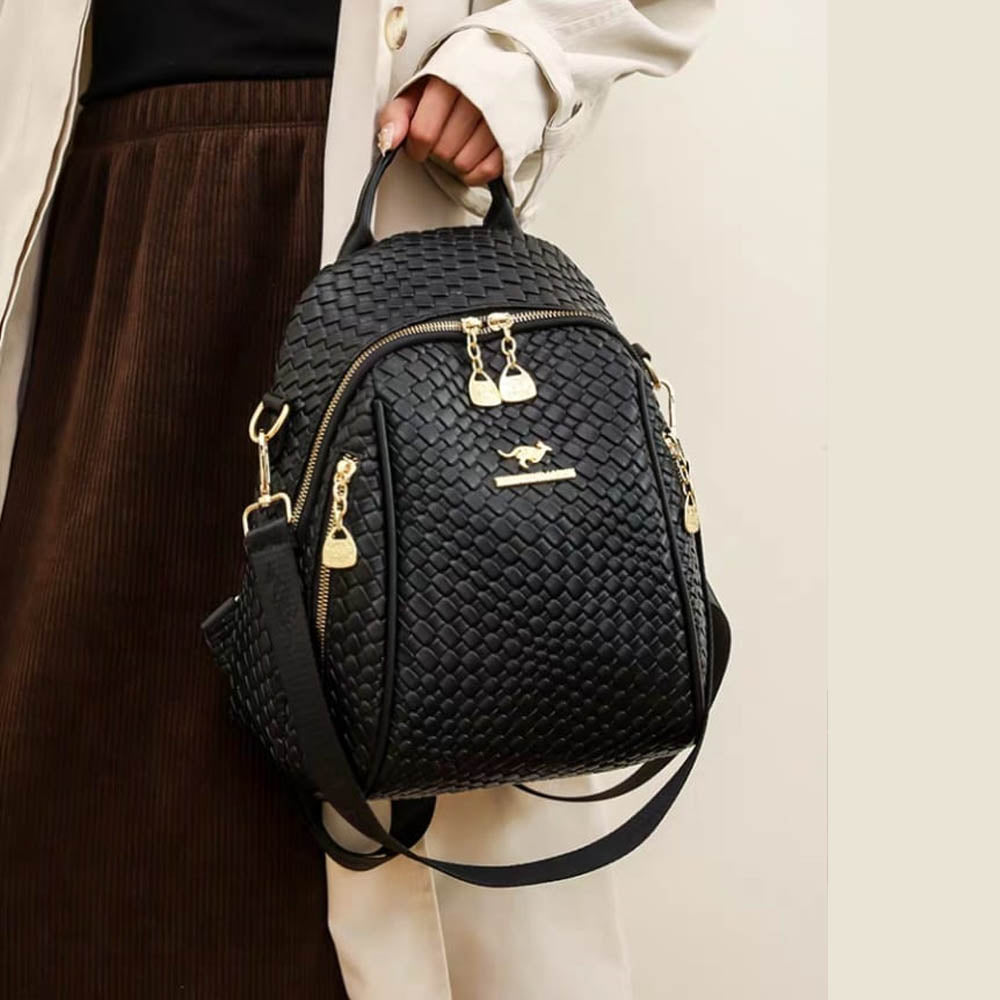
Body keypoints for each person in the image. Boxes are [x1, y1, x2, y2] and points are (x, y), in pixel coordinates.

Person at [0, 2, 714, 997]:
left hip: (368, 212)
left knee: (358, 820)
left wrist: (525, 58)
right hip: (93, 233)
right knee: (68, 808)